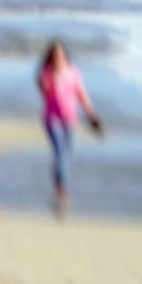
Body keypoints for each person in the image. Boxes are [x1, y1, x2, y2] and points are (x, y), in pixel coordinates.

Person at [37, 40, 101, 217]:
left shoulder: (73, 72)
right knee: (60, 153)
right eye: (55, 54)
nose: (58, 57)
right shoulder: (47, 72)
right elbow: (44, 91)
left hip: (70, 119)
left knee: (67, 152)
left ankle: (59, 182)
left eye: (61, 54)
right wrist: (50, 78)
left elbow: (81, 94)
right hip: (52, 119)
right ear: (51, 57)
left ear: (65, 55)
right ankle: (62, 189)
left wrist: (91, 115)